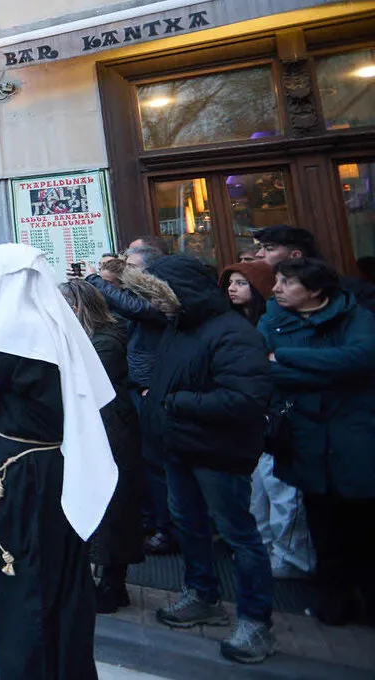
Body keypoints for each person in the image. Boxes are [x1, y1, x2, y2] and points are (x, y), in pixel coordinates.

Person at [0, 244, 119, 680]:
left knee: (25, 580)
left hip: (25, 475)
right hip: (54, 463)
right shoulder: (52, 323)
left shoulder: (13, 331)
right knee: (61, 578)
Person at [142, 254, 276, 664]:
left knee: (239, 536)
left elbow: (247, 398)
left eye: (161, 296)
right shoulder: (179, 328)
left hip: (219, 453)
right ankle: (201, 594)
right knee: (190, 527)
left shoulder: (233, 333)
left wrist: (178, 402)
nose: (156, 305)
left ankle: (256, 621)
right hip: (180, 447)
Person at [258, 258, 375, 626]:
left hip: (354, 437)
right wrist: (328, 369)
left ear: (315, 291)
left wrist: (289, 357)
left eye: (286, 282)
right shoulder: (271, 318)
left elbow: (360, 358)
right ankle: (334, 604)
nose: (275, 289)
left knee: (364, 525)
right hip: (303, 436)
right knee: (321, 527)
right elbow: (265, 368)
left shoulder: (355, 316)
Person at [220, 261, 312, 579]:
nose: (232, 288)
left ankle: (292, 559)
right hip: (247, 418)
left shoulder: (275, 323)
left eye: (241, 283)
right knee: (254, 491)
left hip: (276, 417)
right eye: (230, 282)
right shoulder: (230, 323)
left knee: (281, 490)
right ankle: (261, 549)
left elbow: (270, 365)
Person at [85, 253, 181, 556]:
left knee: (158, 464)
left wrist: (93, 280)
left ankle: (167, 529)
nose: (129, 274)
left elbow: (134, 308)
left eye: (135, 268)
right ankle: (153, 521)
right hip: (139, 386)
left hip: (151, 390)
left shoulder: (158, 302)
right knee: (146, 462)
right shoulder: (135, 303)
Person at [60, 279, 146, 614]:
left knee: (114, 507)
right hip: (90, 427)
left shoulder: (109, 338)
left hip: (111, 428)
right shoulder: (87, 337)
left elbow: (81, 377)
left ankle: (113, 584)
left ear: (79, 306)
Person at [253, 224, 375, 312]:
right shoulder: (257, 286)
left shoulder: (349, 295)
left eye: (269, 249)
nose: (259, 254)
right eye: (260, 248)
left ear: (295, 255)